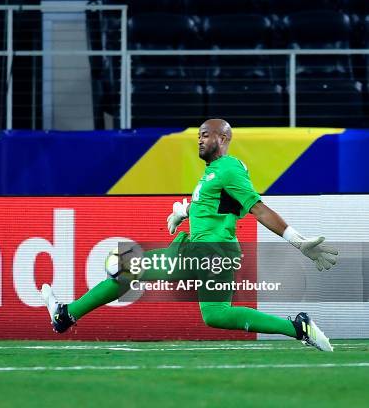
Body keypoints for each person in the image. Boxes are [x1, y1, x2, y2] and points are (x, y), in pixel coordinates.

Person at [41, 119, 339, 351]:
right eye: (198, 134)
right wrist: (184, 213)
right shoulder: (213, 175)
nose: (200, 138)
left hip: (204, 251)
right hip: (221, 254)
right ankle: (299, 328)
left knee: (120, 264)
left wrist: (297, 240)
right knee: (216, 315)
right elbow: (219, 207)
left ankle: (67, 314)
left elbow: (259, 209)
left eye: (206, 134)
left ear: (223, 139)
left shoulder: (228, 168)